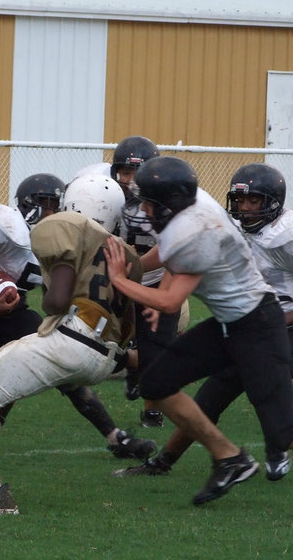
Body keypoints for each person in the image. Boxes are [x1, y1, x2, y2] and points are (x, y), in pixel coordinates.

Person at [103, 155, 293, 522]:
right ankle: (229, 457)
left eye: (151, 202)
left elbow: (170, 299)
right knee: (157, 381)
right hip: (231, 323)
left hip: (257, 327)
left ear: (170, 202)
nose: (146, 210)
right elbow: (170, 257)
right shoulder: (194, 207)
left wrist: (122, 280)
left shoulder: (194, 232)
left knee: (284, 429)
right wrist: (150, 278)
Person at [0, 173, 154, 461]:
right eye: (45, 204)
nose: (50, 212)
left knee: (63, 363)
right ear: (27, 203)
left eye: (55, 205)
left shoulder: (64, 233)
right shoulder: (5, 227)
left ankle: (115, 437)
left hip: (17, 311)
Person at [116, 162, 293, 481]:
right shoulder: (223, 226)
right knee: (212, 393)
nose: (245, 209)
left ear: (273, 202)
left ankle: (276, 446)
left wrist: (278, 322)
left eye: (254, 201)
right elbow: (180, 261)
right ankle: (167, 461)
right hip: (252, 324)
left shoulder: (288, 234)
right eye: (240, 201)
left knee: (257, 393)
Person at [110, 135, 178, 428]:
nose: (132, 179)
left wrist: (133, 267)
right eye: (126, 172)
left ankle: (153, 408)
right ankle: (133, 368)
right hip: (116, 278)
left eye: (138, 172)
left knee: (157, 346)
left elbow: (172, 253)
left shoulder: (169, 201)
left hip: (154, 279)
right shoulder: (107, 196)